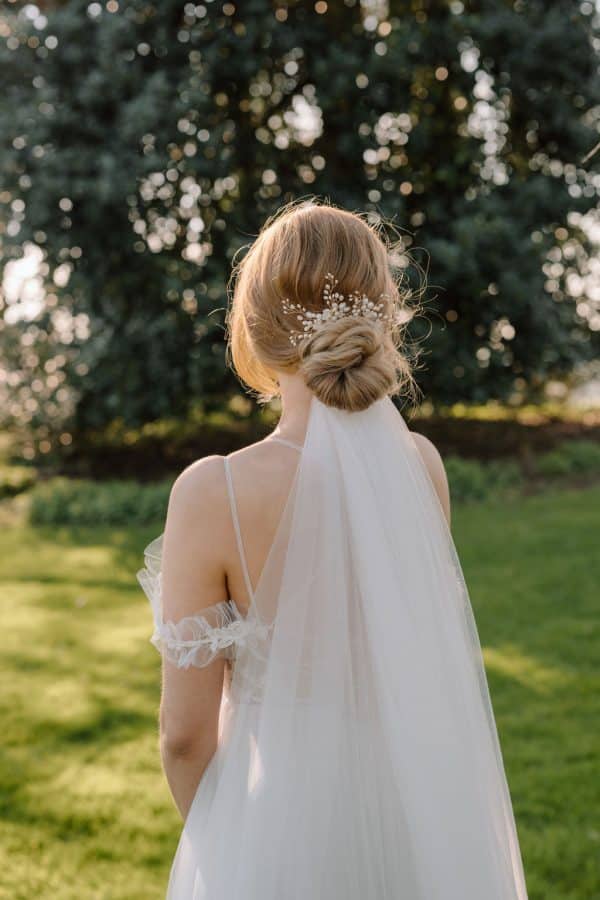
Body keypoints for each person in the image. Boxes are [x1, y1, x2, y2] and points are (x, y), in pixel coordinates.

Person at [138, 200, 529, 899]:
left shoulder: (215, 492)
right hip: (418, 816)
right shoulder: (421, 465)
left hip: (278, 832)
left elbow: (185, 737)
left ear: (253, 331)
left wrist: (231, 849)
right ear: (383, 318)